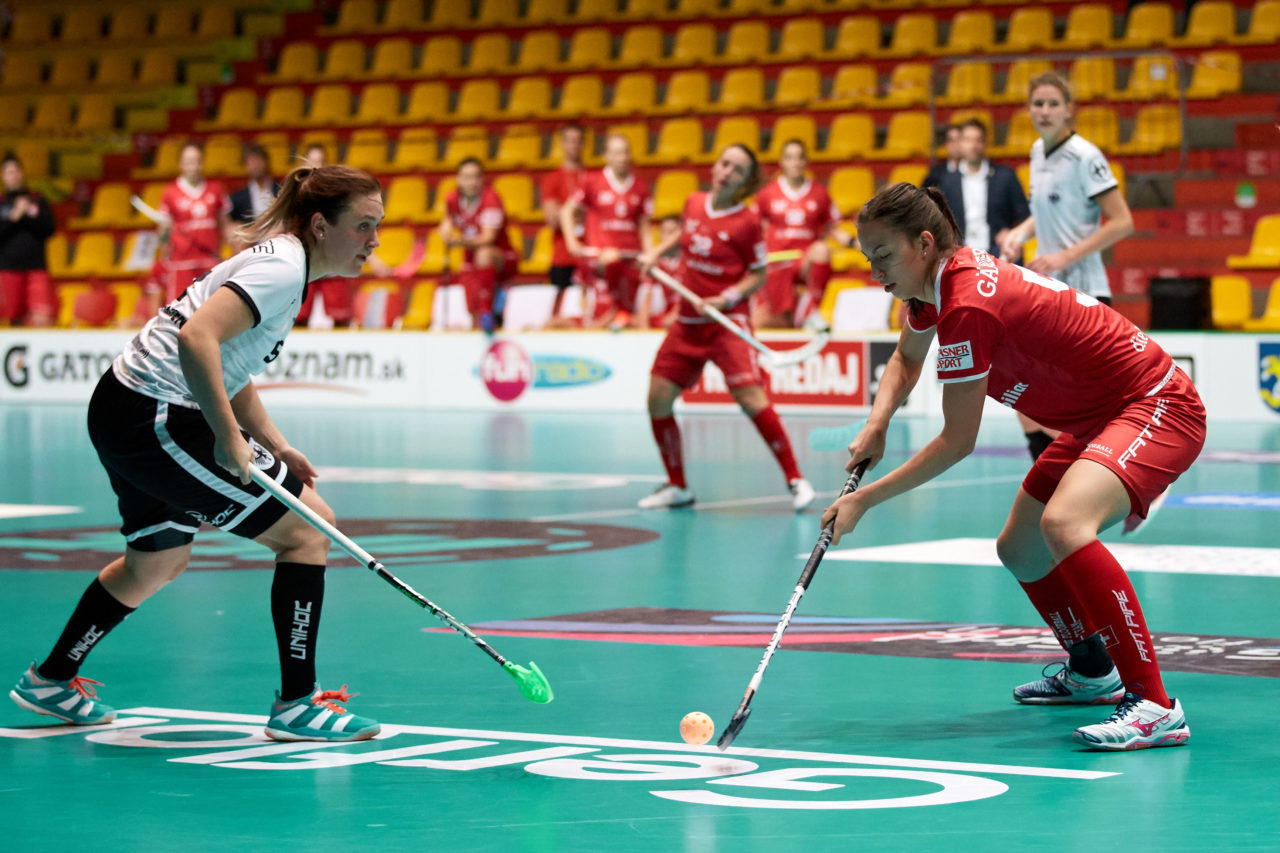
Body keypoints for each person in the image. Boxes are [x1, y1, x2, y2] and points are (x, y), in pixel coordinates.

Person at [9, 165, 388, 743]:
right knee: (310, 532)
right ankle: (297, 704)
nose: (374, 241)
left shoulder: (286, 264)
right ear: (319, 225)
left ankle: (51, 681)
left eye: (376, 226)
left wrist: (275, 442)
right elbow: (197, 339)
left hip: (126, 406)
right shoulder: (283, 268)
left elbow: (230, 365)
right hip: (155, 414)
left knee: (157, 561)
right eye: (363, 226)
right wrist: (229, 437)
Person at [822, 182, 1203, 751]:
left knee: (1065, 525)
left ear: (924, 243)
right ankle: (1092, 668)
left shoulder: (969, 303)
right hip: (1095, 418)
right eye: (866, 257)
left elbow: (957, 440)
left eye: (882, 255)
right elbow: (905, 355)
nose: (874, 270)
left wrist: (863, 499)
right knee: (1019, 546)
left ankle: (1154, 704)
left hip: (1155, 404)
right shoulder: (932, 292)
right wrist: (878, 423)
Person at [635, 145, 815, 512]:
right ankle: (677, 485)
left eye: (736, 169)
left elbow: (759, 274)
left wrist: (727, 297)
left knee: (751, 400)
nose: (725, 171)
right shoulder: (693, 202)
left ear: (746, 181)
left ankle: (796, 479)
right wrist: (657, 252)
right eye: (723, 163)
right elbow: (684, 236)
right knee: (657, 398)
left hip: (727, 323)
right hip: (687, 323)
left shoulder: (747, 222)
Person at [997, 72, 1135, 467]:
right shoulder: (1037, 153)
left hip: (1085, 290)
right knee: (1022, 388)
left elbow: (1122, 222)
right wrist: (1019, 234)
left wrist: (1063, 257)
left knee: (1072, 400)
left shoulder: (1086, 156)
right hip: (1046, 289)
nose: (1044, 111)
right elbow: (1044, 213)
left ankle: (1114, 469)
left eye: (1052, 103)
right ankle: (1047, 472)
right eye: (1037, 103)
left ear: (1069, 109)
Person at [751, 139, 854, 329]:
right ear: (782, 162)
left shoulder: (819, 192)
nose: (795, 163)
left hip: (803, 260)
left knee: (822, 249)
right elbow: (753, 227)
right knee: (778, 321)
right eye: (790, 158)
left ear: (806, 161)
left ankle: (813, 313)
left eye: (799, 158)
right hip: (776, 261)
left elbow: (833, 228)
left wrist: (854, 243)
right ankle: (794, 317)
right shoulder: (767, 193)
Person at [561, 133, 653, 329]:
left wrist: (650, 254)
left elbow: (644, 226)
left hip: (631, 256)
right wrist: (572, 242)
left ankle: (621, 315)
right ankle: (617, 313)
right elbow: (567, 210)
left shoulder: (641, 187)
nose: (622, 157)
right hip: (601, 257)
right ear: (606, 156)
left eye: (625, 152)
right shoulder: (592, 181)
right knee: (611, 262)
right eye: (616, 153)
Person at [143, 142, 231, 318]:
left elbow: (225, 224)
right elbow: (163, 230)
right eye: (189, 161)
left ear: (202, 162)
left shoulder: (215, 189)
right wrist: (164, 251)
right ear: (181, 164)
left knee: (212, 314)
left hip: (209, 262)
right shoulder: (170, 192)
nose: (193, 166)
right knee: (179, 315)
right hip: (181, 263)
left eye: (197, 161)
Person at [439, 157, 519, 332]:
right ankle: (483, 315)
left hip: (501, 257)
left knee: (484, 254)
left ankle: (488, 309)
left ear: (482, 179)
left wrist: (459, 241)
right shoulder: (451, 199)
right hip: (470, 257)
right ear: (458, 179)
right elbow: (446, 222)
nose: (471, 182)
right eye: (466, 177)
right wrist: (445, 231)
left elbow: (487, 238)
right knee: (472, 312)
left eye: (476, 177)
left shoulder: (491, 199)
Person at [933, 119, 1029, 262]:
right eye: (968, 140)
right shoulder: (946, 181)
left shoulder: (1005, 176)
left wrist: (1012, 234)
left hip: (998, 251)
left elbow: (1025, 216)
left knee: (1014, 253)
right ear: (960, 143)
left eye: (978, 140)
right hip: (960, 254)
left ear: (985, 143)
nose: (973, 145)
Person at [0, 153, 57, 327]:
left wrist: (28, 215)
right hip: (9, 269)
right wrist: (15, 216)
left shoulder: (37, 200)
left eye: (16, 171)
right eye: (9, 172)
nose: (14, 176)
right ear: (3, 177)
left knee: (42, 317)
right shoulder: (1, 204)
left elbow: (49, 229)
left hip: (36, 267)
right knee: (13, 319)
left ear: (22, 173)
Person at [539, 124, 586, 320]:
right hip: (562, 254)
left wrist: (565, 211)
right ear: (562, 144)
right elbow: (552, 218)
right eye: (569, 140)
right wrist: (582, 212)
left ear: (584, 144)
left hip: (588, 252)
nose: (573, 145)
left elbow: (601, 216)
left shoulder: (592, 177)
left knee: (588, 307)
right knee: (557, 312)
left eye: (577, 141)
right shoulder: (552, 178)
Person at [228, 144, 281, 231]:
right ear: (245, 166)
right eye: (250, 162)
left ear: (266, 162)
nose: (255, 166)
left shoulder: (281, 190)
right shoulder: (238, 198)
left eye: (258, 161)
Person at [921, 122, 962, 191]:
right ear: (946, 144)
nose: (955, 144)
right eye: (951, 140)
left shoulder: (974, 173)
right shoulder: (935, 173)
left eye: (959, 139)